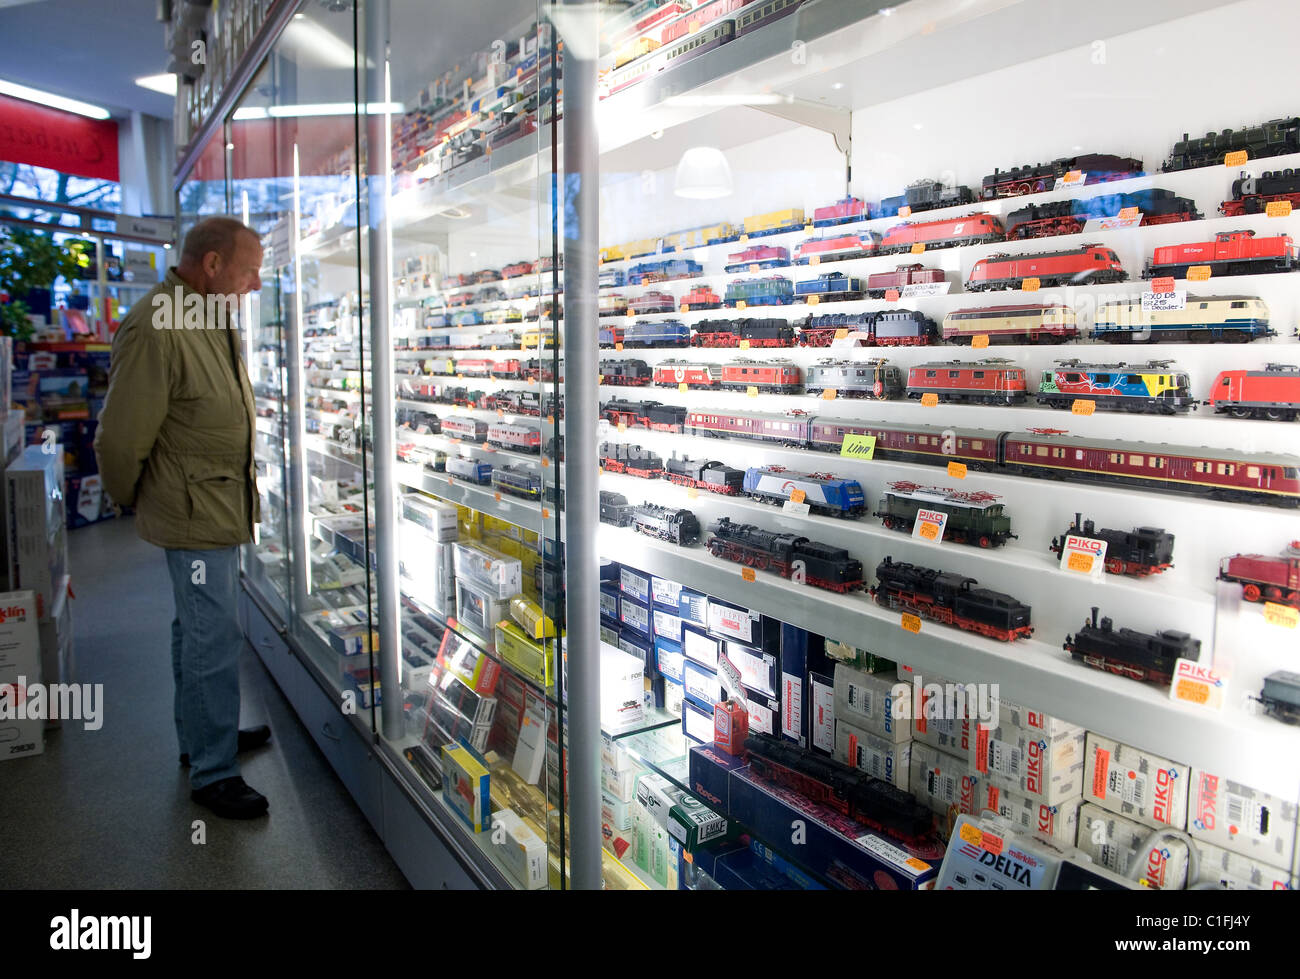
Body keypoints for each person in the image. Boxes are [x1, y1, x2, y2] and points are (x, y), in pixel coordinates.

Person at [94, 216, 272, 819]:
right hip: (194, 512)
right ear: (214, 264)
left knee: (196, 629)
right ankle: (213, 772)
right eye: (249, 270)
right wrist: (135, 499)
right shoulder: (156, 327)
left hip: (215, 503)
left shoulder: (204, 315)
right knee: (210, 634)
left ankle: (204, 737)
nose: (256, 283)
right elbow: (119, 439)